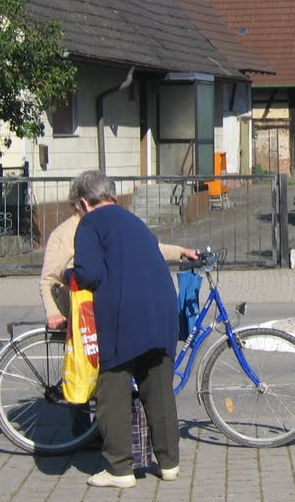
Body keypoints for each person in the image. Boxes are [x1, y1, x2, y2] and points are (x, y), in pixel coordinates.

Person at [65, 169, 183, 489]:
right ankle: (169, 463)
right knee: (157, 388)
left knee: (112, 389)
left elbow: (88, 274)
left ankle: (120, 469)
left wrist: (68, 275)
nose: (77, 213)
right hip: (161, 307)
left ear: (86, 204)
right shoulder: (134, 220)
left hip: (122, 314)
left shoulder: (90, 224)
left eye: (76, 207)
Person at [40, 210, 197, 329]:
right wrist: (54, 313)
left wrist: (181, 252)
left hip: (107, 311)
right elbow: (49, 278)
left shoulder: (106, 224)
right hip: (82, 316)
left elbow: (143, 247)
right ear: (81, 203)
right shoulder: (65, 233)